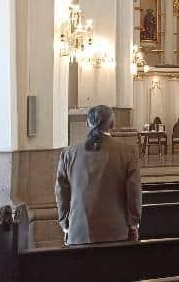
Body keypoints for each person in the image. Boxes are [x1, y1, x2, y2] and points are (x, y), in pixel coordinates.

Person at [55, 105, 142, 245]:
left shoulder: (68, 154)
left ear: (87, 123)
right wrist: (133, 225)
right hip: (116, 232)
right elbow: (134, 192)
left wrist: (65, 225)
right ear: (112, 124)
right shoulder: (127, 152)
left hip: (78, 232)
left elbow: (61, 193)